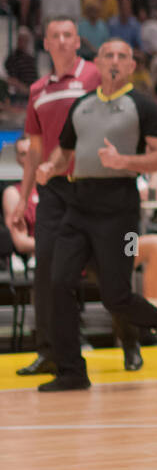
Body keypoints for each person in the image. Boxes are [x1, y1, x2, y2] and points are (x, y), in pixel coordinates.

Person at [33, 39, 157, 391]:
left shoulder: (144, 106)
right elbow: (65, 153)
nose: (115, 61)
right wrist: (49, 166)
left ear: (132, 66)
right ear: (98, 64)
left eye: (123, 56)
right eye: (109, 55)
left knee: (115, 296)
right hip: (79, 204)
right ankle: (72, 371)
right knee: (59, 282)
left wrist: (126, 162)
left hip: (120, 209)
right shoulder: (82, 106)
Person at [12, 19, 102, 376]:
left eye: (69, 35)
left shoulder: (96, 76)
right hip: (54, 191)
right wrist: (23, 198)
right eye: (56, 36)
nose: (63, 41)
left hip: (93, 187)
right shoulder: (37, 89)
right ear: (46, 44)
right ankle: (49, 351)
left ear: (78, 40)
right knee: (46, 270)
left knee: (111, 271)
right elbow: (34, 151)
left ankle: (131, 342)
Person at [3, 136, 38, 261]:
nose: (29, 158)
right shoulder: (13, 193)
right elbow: (21, 243)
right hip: (34, 262)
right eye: (23, 154)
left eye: (32, 152)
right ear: (18, 159)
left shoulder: (57, 189)